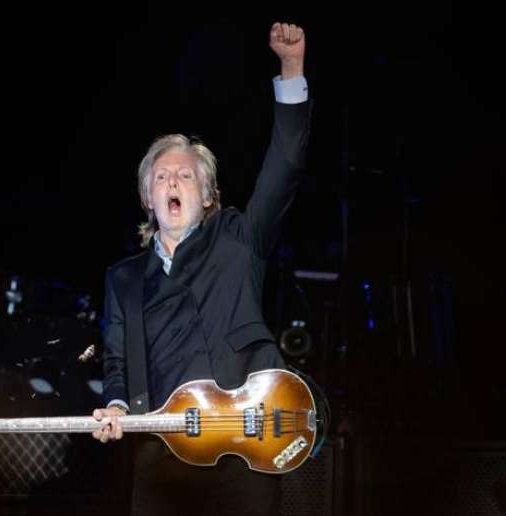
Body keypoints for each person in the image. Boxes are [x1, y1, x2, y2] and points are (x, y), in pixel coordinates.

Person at [92, 21, 310, 516]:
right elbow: (118, 366)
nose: (173, 181)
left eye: (185, 175)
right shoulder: (122, 279)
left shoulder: (240, 240)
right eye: (162, 177)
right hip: (163, 455)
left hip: (245, 451)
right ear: (148, 197)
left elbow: (286, 163)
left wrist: (291, 68)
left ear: (208, 194)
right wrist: (119, 407)